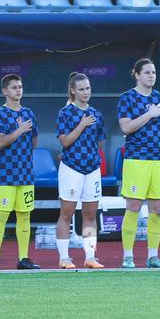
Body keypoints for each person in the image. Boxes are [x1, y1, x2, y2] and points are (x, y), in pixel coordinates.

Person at [117, 58, 160, 269]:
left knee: (157, 209)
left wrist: (155, 140)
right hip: (136, 159)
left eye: (154, 72)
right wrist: (149, 115)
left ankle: (153, 256)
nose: (152, 76)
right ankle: (128, 255)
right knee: (133, 206)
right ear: (137, 75)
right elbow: (126, 127)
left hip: (159, 159)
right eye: (147, 72)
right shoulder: (127, 98)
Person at [0, 73, 39, 271]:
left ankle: (24, 258)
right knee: (1, 215)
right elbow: (0, 142)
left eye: (20, 86)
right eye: (14, 87)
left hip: (25, 173)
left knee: (24, 216)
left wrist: (23, 143)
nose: (19, 90)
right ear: (5, 91)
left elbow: (34, 140)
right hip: (5, 174)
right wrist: (19, 131)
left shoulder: (29, 113)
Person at [55, 72, 106, 270]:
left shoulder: (97, 114)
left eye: (88, 88)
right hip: (71, 168)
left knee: (90, 215)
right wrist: (82, 124)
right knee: (66, 213)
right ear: (73, 91)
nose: (86, 92)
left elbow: (99, 142)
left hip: (92, 169)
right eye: (82, 89)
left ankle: (90, 257)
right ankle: (64, 258)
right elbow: (65, 141)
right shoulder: (65, 113)